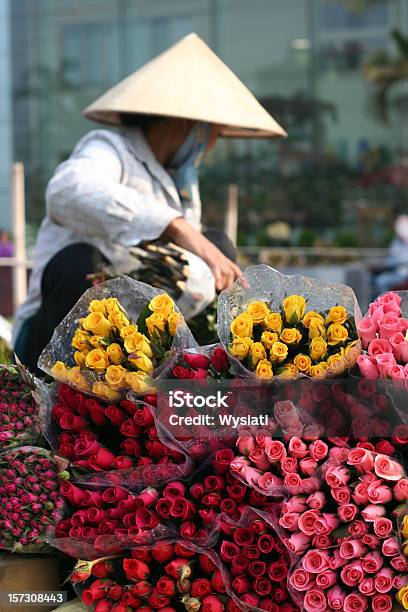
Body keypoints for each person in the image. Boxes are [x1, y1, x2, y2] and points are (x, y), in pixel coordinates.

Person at [13, 33, 286, 372]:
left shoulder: (179, 182)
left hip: (131, 343)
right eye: (213, 135)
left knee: (217, 246)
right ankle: (58, 386)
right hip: (51, 336)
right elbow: (66, 190)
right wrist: (176, 227)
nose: (211, 147)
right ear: (192, 125)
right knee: (79, 263)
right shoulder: (108, 148)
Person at [373, 214, 408, 296]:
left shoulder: (405, 242)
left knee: (381, 281)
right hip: (393, 271)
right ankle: (375, 304)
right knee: (372, 278)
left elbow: (403, 260)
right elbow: (392, 256)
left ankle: (384, 305)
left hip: (402, 274)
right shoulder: (396, 241)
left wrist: (389, 263)